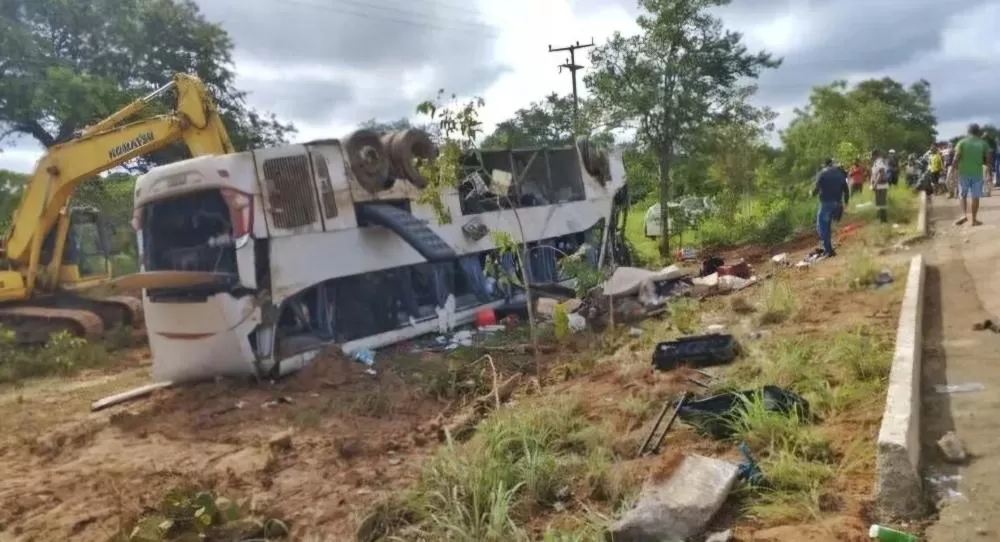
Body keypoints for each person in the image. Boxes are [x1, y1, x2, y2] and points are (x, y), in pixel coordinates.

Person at [952, 123, 993, 226]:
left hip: (963, 173)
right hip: (977, 174)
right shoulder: (983, 143)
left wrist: (953, 171)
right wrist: (989, 173)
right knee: (975, 196)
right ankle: (974, 220)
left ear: (968, 131)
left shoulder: (962, 142)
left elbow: (956, 158)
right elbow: (989, 160)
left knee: (963, 195)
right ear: (978, 132)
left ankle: (964, 215)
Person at [812, 158, 850, 257]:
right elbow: (846, 190)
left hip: (826, 205)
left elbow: (816, 190)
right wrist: (846, 203)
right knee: (827, 226)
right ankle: (828, 247)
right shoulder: (840, 174)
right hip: (837, 205)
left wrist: (811, 193)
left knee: (821, 227)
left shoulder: (822, 174)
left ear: (825, 165)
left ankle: (828, 250)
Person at [871, 149, 891, 222]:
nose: (871, 157)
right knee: (878, 202)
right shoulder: (876, 162)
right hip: (878, 185)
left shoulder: (879, 161)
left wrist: (875, 184)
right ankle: (879, 218)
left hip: (881, 185)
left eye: (872, 155)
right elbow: (875, 174)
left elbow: (881, 173)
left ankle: (883, 219)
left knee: (881, 202)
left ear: (875, 155)